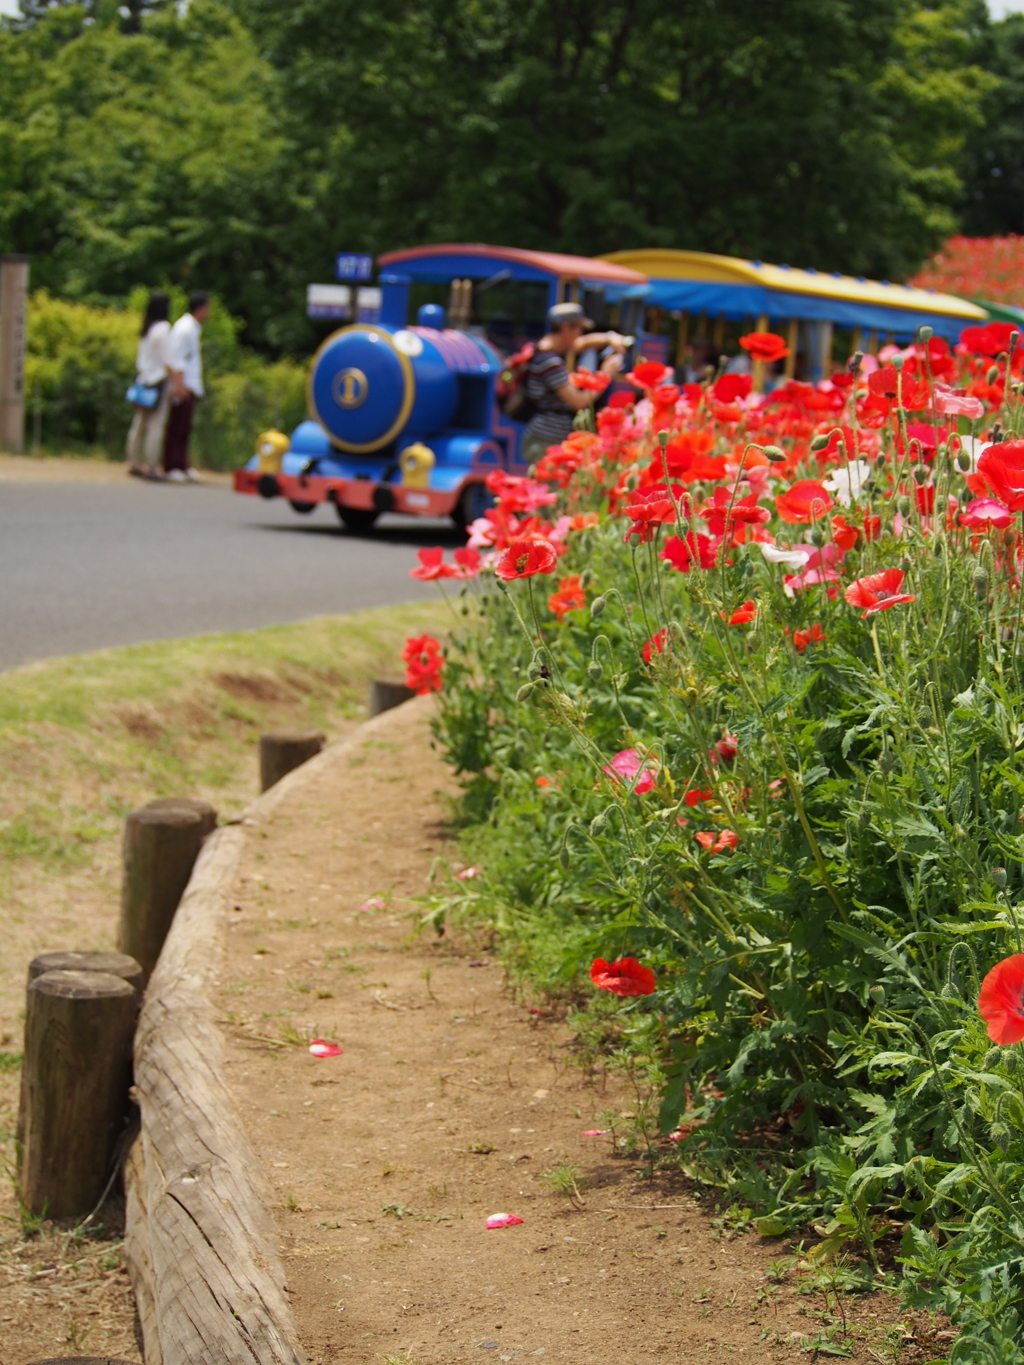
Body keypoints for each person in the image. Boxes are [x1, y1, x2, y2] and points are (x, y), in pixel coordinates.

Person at [522, 302, 625, 462]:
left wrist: (610, 338)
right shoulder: (550, 363)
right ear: (565, 328)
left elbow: (582, 343)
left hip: (545, 438)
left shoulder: (544, 347)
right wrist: (606, 374)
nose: (581, 334)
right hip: (546, 441)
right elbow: (579, 402)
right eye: (578, 328)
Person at [163, 290, 211, 483]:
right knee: (177, 427)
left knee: (185, 427)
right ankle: (171, 465)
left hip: (190, 384)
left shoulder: (193, 328)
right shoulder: (184, 329)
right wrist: (179, 385)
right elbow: (176, 358)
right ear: (201, 308)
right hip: (183, 384)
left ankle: (182, 463)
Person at [126, 291, 172, 479]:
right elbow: (167, 358)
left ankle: (133, 461)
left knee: (139, 423)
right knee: (155, 424)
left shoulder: (146, 328)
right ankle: (152, 464)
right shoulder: (163, 328)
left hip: (142, 379)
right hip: (158, 380)